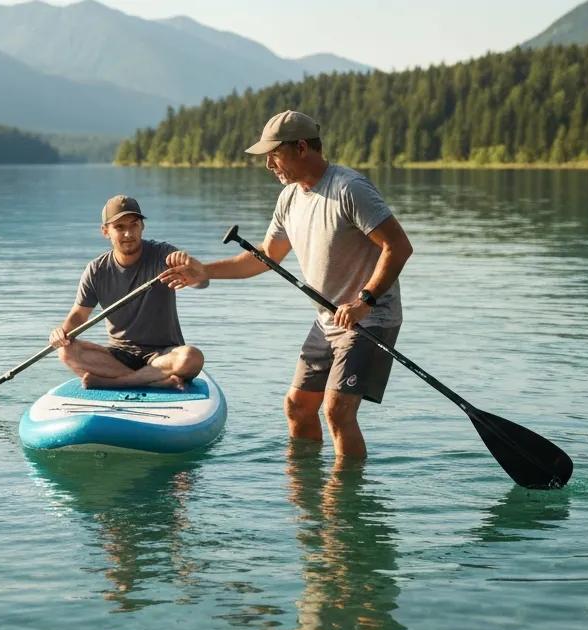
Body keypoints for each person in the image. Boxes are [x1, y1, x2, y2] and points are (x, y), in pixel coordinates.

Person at [160, 111, 413, 458]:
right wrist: (204, 271)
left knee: (337, 412)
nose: (268, 165)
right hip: (328, 319)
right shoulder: (290, 198)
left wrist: (365, 300)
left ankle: (344, 506)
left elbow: (398, 246)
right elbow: (265, 256)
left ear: (302, 148)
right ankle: (307, 500)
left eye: (274, 154)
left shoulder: (349, 189)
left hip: (368, 318)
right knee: (297, 407)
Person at [50, 195, 205, 389]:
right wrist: (61, 333)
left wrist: (190, 268)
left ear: (142, 226)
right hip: (119, 357)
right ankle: (154, 383)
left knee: (191, 357)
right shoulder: (96, 270)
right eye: (119, 227)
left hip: (164, 354)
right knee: (66, 351)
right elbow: (79, 315)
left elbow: (202, 283)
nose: (128, 234)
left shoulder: (163, 255)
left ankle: (119, 383)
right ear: (105, 231)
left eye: (133, 225)